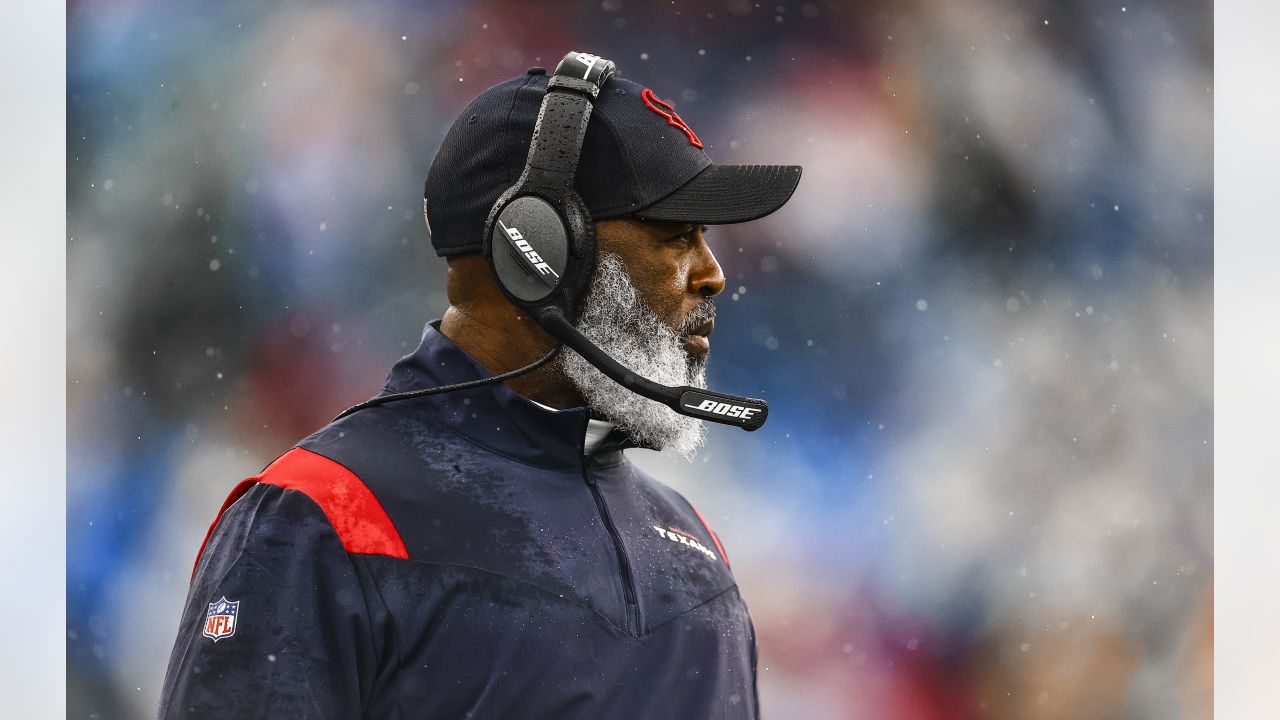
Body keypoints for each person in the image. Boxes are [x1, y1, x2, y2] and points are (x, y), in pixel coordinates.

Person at [159, 52, 801, 719]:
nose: (711, 273)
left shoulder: (692, 543)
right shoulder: (328, 517)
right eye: (675, 237)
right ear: (541, 252)